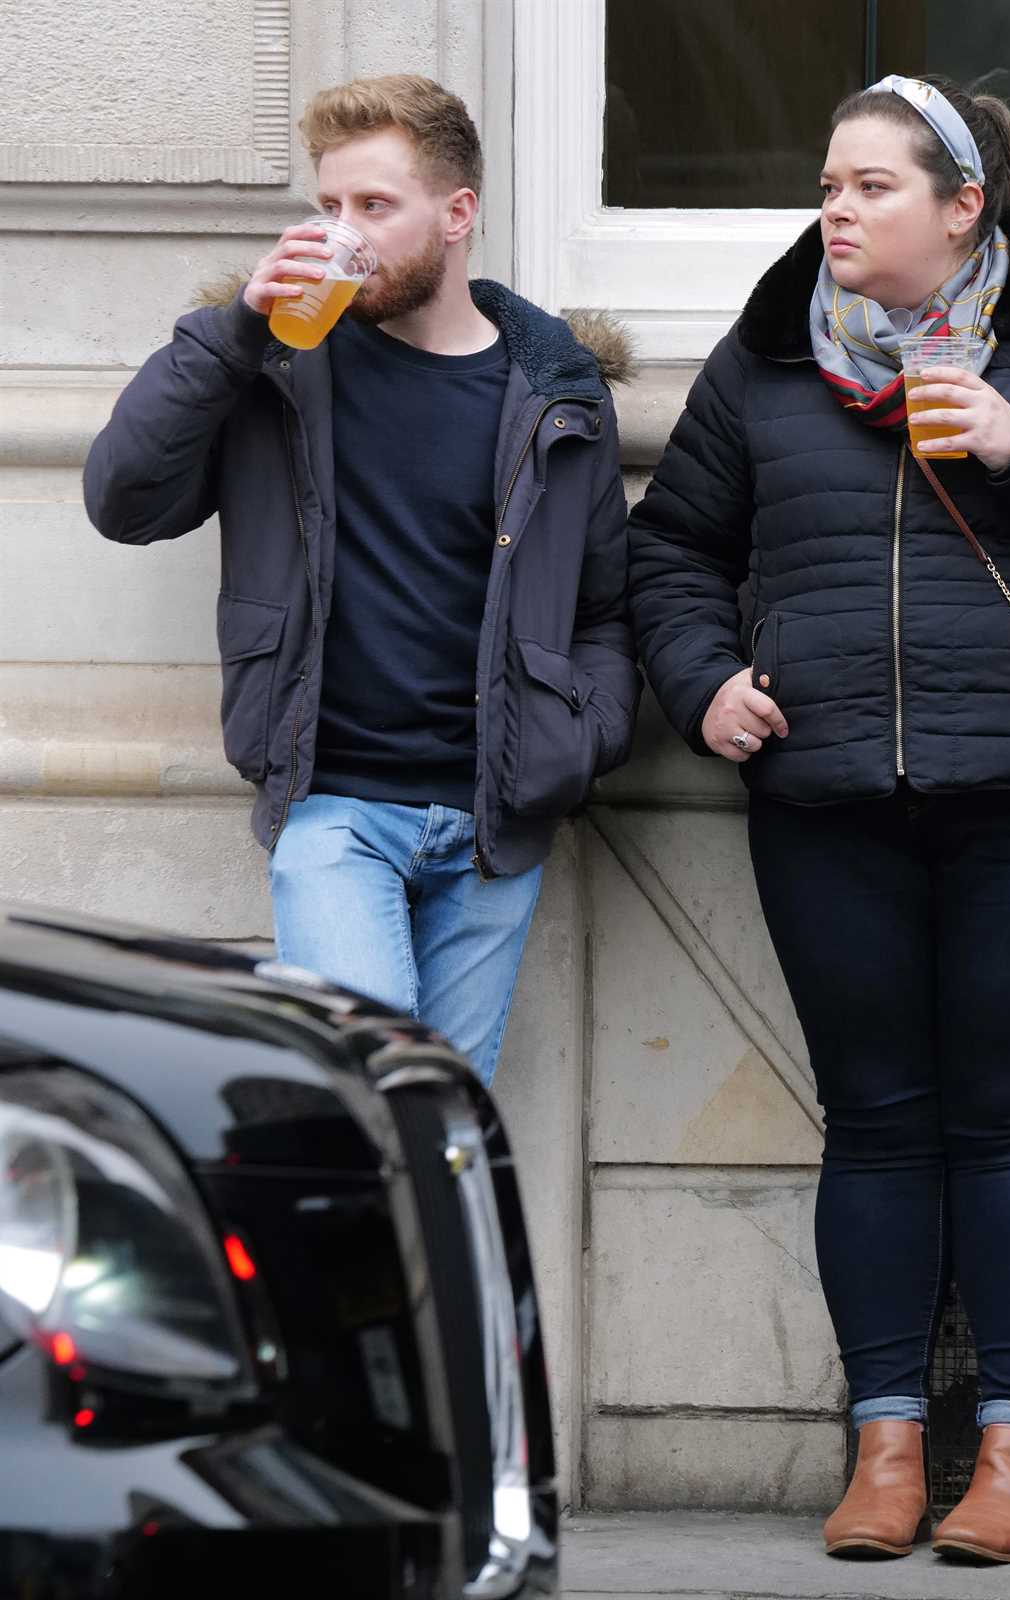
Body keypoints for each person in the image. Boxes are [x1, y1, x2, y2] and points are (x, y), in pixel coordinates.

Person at [628, 73, 1010, 1562]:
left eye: (869, 185)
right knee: (878, 1130)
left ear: (966, 206)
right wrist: (704, 687)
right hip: (824, 804)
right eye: (827, 185)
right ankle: (885, 1450)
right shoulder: (766, 362)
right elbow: (669, 557)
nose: (833, 208)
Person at [85, 75, 639, 1087]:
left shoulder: (556, 392)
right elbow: (123, 500)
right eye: (328, 205)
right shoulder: (277, 370)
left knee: (445, 1132)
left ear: (456, 214)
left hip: (491, 824)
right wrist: (238, 329)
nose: (343, 231)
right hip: (333, 807)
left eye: (374, 207)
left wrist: (580, 737)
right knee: (370, 1104)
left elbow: (601, 602)